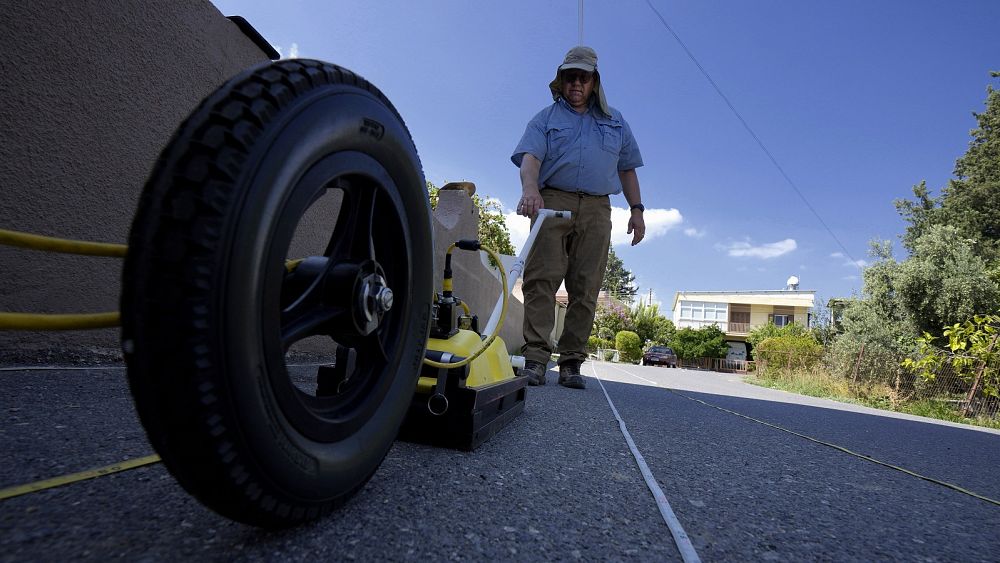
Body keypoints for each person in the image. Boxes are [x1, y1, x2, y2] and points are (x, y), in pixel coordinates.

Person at [511, 46, 646, 390]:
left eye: (582, 77)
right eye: (570, 77)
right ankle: (535, 359)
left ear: (593, 82)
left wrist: (637, 209)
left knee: (586, 286)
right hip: (552, 200)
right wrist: (531, 189)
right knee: (540, 280)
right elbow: (530, 159)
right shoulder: (545, 119)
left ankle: (571, 362)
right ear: (561, 80)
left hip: (598, 208)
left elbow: (627, 169)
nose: (575, 83)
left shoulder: (616, 122)